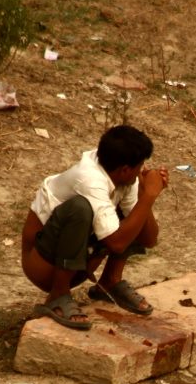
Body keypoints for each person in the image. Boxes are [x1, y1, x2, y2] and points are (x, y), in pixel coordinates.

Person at [21, 125, 169, 330]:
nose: (142, 170)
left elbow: (148, 239)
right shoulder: (89, 179)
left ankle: (110, 282)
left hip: (78, 261)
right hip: (42, 264)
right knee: (80, 208)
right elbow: (116, 243)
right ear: (126, 169)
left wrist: (145, 195)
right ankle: (58, 294)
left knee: (130, 215)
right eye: (140, 165)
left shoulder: (124, 175)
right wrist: (150, 195)